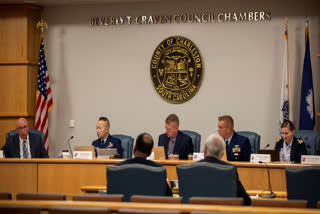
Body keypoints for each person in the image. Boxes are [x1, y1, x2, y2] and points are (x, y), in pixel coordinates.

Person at [199, 133, 251, 206]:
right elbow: (245, 201)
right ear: (222, 154)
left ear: (204, 150)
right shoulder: (229, 170)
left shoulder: (188, 169)